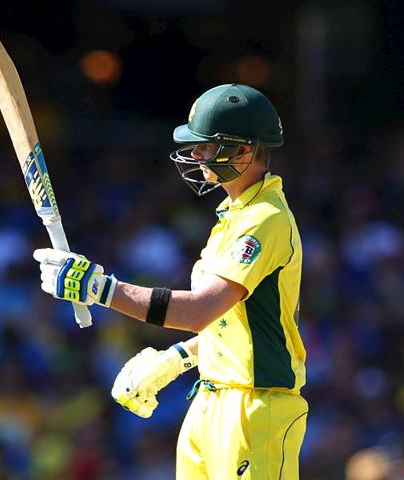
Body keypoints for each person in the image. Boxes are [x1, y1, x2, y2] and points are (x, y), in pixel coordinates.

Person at [33, 83, 308, 479]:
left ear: (245, 151)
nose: (196, 155)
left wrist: (99, 288)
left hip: (254, 409)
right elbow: (232, 325)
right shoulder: (235, 213)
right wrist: (176, 359)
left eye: (208, 146)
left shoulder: (264, 218)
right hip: (212, 400)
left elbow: (200, 311)